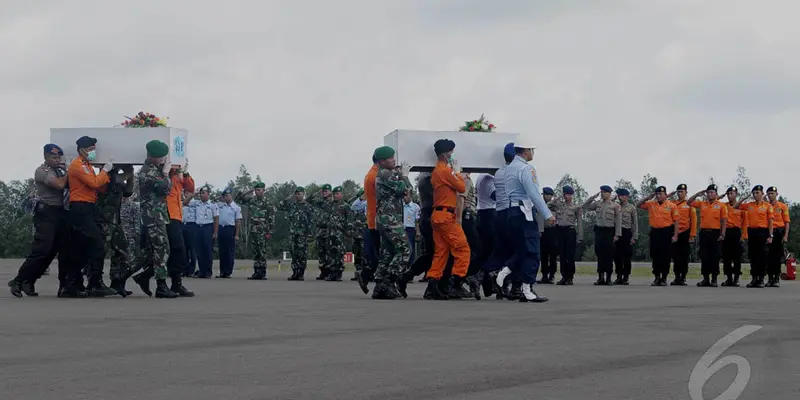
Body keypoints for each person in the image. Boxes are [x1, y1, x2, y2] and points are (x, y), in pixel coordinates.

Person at [8, 144, 75, 297]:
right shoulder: (42, 171)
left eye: (59, 157)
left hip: (61, 212)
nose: (57, 160)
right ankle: (19, 280)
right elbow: (59, 184)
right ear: (45, 157)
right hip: (47, 212)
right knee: (42, 249)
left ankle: (57, 284)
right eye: (53, 157)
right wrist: (69, 171)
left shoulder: (61, 170)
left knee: (59, 251)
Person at [495, 138, 552, 303]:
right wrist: (548, 214)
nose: (532, 153)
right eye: (531, 150)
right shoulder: (526, 168)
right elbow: (534, 193)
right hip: (524, 211)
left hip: (511, 211)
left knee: (521, 249)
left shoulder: (509, 168)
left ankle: (504, 272)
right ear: (525, 151)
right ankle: (527, 289)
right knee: (532, 251)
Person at [67, 136, 117, 297]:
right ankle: (94, 283)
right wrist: (105, 170)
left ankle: (77, 283)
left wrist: (108, 174)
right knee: (96, 243)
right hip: (80, 207)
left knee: (82, 247)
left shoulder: (87, 165)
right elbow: (94, 183)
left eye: (94, 149)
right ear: (82, 150)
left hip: (87, 207)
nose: (93, 152)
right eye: (90, 149)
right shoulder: (77, 165)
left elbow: (99, 186)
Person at [129, 140, 179, 298]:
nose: (164, 160)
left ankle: (143, 277)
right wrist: (166, 173)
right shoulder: (148, 172)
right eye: (161, 157)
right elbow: (166, 189)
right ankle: (161, 286)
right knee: (162, 250)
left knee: (157, 251)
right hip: (153, 217)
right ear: (153, 157)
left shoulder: (152, 169)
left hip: (157, 215)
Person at [424, 139, 472, 300]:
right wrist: (457, 172)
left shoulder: (437, 171)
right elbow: (462, 187)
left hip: (438, 215)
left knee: (441, 252)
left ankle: (433, 285)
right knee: (463, 249)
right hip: (446, 216)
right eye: (451, 152)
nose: (452, 154)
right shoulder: (445, 171)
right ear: (445, 154)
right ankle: (456, 283)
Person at [372, 146, 411, 299]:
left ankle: (379, 286)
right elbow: (405, 189)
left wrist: (398, 174)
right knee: (404, 250)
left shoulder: (384, 173)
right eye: (390, 158)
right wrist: (405, 176)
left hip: (385, 219)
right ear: (382, 161)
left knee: (388, 253)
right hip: (390, 219)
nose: (394, 160)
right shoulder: (386, 173)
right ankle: (387, 282)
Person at [481, 143, 516, 298]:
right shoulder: (513, 172)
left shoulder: (499, 173)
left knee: (502, 251)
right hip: (510, 213)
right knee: (514, 252)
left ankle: (486, 273)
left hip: (498, 214)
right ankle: (510, 285)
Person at [96, 165, 136, 297]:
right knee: (100, 251)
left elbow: (128, 191)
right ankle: (95, 282)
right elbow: (113, 181)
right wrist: (128, 173)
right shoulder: (103, 177)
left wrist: (131, 176)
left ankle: (118, 283)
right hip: (103, 220)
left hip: (115, 221)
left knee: (122, 250)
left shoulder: (118, 179)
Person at [637, 186, 680, 286]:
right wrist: (649, 196)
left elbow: (676, 221)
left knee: (665, 256)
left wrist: (675, 235)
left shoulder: (671, 205)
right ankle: (657, 277)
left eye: (661, 194)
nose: (658, 196)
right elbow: (638, 204)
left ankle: (664, 278)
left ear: (665, 194)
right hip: (655, 232)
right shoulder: (651, 204)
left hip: (666, 232)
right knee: (655, 254)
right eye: (657, 194)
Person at [163, 160, 195, 295]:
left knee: (178, 251)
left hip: (176, 216)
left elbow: (190, 188)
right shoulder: (163, 174)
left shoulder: (178, 175)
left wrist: (185, 172)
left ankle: (176, 283)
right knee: (175, 250)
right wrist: (167, 171)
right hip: (167, 216)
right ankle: (171, 283)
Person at [686, 185, 727, 287]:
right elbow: (688, 202)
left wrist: (723, 234)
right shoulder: (702, 204)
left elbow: (724, 221)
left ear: (716, 194)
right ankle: (705, 278)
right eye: (708, 192)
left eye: (712, 192)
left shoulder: (721, 206)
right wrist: (697, 194)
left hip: (716, 233)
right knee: (704, 256)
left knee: (715, 256)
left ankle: (714, 279)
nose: (710, 194)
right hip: (704, 233)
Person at [236, 182, 276, 280]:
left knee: (262, 251)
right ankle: (256, 272)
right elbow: (238, 200)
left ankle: (262, 272)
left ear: (263, 190)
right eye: (256, 190)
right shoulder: (251, 200)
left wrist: (269, 232)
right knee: (256, 251)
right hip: (253, 229)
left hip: (263, 230)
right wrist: (247, 191)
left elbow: (272, 218)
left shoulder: (268, 202)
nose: (257, 192)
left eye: (259, 190)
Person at [583, 186, 622, 285]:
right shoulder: (597, 204)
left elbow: (618, 221)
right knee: (599, 254)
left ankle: (608, 278)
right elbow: (585, 206)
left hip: (609, 232)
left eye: (605, 192)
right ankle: (600, 277)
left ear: (609, 193)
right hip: (599, 231)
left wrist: (617, 234)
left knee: (608, 255)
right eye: (602, 192)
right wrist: (592, 197)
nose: (602, 194)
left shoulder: (615, 206)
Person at [738, 185, 774, 288]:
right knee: (753, 256)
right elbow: (736, 206)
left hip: (763, 231)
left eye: (757, 193)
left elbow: (770, 221)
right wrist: (744, 198)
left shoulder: (767, 206)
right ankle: (754, 278)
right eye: (753, 193)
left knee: (762, 256)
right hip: (752, 231)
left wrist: (771, 235)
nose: (755, 195)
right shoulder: (749, 205)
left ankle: (761, 279)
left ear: (762, 194)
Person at [278, 187, 313, 280]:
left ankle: (301, 273)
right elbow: (280, 206)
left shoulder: (308, 207)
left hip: (303, 234)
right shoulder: (292, 205)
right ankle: (295, 272)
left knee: (302, 254)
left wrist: (310, 234)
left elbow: (311, 221)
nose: (298, 196)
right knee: (293, 253)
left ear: (303, 194)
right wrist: (288, 197)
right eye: (296, 194)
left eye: (299, 194)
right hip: (293, 233)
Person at [551, 185, 583, 286]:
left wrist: (580, 237)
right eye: (564, 194)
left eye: (568, 194)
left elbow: (580, 222)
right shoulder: (559, 205)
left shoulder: (575, 207)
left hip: (570, 231)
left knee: (570, 255)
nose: (566, 196)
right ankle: (563, 276)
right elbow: (547, 205)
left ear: (572, 195)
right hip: (560, 231)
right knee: (562, 255)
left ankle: (570, 277)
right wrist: (555, 199)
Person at [357, 159, 381, 293]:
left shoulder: (374, 174)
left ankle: (366, 274)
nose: (394, 161)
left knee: (377, 255)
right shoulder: (375, 176)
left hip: (376, 221)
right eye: (391, 158)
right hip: (378, 221)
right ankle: (378, 282)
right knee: (387, 254)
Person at [669, 184, 697, 286]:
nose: (680, 193)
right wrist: (668, 195)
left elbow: (694, 220)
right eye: (678, 192)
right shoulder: (672, 203)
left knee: (684, 256)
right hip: (675, 232)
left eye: (682, 191)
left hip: (685, 232)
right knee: (675, 256)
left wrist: (692, 235)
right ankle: (677, 277)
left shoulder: (689, 204)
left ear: (686, 193)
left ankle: (683, 276)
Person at [189, 187, 219, 278]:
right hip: (198, 227)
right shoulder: (196, 203)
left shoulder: (213, 205)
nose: (201, 195)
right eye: (200, 193)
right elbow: (185, 203)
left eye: (203, 193)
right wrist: (193, 195)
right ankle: (202, 271)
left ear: (208, 194)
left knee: (208, 250)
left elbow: (216, 219)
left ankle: (208, 272)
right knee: (199, 250)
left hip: (208, 227)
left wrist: (215, 232)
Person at [720, 187, 747, 286]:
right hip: (726, 232)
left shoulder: (741, 207)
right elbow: (713, 203)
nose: (729, 196)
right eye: (728, 194)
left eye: (732, 193)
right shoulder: (724, 206)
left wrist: (743, 236)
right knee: (726, 257)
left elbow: (745, 222)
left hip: (736, 232)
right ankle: (729, 278)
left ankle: (736, 278)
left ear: (736, 194)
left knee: (736, 258)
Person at [474, 173, 496, 293]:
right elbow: (495, 195)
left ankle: (486, 282)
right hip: (488, 213)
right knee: (490, 251)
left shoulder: (481, 177)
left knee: (485, 251)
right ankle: (479, 275)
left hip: (483, 213)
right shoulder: (489, 179)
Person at [308, 184, 334, 280]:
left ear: (331, 192)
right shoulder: (321, 202)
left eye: (326, 191)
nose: (324, 193)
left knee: (328, 250)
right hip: (319, 229)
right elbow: (309, 200)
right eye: (323, 191)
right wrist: (317, 193)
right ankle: (323, 271)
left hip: (328, 229)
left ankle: (329, 271)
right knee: (321, 251)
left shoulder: (333, 203)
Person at [325, 186, 351, 281]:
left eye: (337, 194)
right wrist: (328, 195)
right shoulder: (330, 205)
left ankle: (338, 273)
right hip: (330, 232)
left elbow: (349, 219)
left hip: (340, 233)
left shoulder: (345, 206)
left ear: (341, 194)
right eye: (334, 194)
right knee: (331, 252)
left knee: (339, 253)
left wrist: (349, 230)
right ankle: (332, 272)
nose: (336, 196)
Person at [766, 186, 789, 287]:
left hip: (779, 232)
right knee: (768, 256)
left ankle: (776, 278)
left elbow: (787, 222)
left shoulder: (782, 206)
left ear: (776, 194)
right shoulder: (765, 205)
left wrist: (785, 235)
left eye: (772, 193)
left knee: (777, 256)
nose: (771, 195)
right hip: (768, 232)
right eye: (769, 193)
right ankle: (770, 278)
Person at [216, 188, 242, 278]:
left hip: (230, 229)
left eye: (227, 196)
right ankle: (222, 271)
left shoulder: (236, 207)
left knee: (229, 251)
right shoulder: (221, 206)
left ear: (231, 196)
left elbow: (238, 221)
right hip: (221, 228)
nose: (226, 198)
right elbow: (214, 201)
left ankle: (228, 271)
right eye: (225, 196)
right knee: (222, 251)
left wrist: (237, 234)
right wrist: (220, 197)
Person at [614, 188, 637, 285]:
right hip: (616, 232)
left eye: (622, 196)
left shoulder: (631, 208)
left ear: (627, 197)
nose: (620, 197)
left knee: (627, 256)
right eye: (619, 196)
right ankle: (619, 276)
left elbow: (635, 223)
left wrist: (634, 236)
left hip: (627, 232)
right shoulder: (615, 206)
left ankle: (626, 276)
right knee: (617, 256)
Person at [537, 187, 559, 284]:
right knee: (544, 255)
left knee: (553, 255)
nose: (546, 196)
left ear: (551, 196)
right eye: (544, 195)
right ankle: (544, 275)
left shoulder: (556, 206)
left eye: (548, 195)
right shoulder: (541, 205)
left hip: (553, 231)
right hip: (543, 231)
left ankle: (552, 275)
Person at [349, 190, 367, 281]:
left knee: (365, 254)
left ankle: (365, 273)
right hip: (356, 235)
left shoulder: (366, 204)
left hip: (365, 235)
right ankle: (358, 272)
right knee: (356, 254)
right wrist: (359, 199)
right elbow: (353, 207)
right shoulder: (357, 205)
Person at [181, 190, 198, 277]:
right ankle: (185, 269)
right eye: (185, 193)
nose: (186, 194)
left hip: (192, 225)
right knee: (184, 249)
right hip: (183, 225)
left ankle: (191, 270)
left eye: (188, 192)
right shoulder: (181, 202)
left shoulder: (195, 202)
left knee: (192, 249)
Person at [403, 192, 420, 263]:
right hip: (401, 229)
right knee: (402, 248)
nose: (404, 197)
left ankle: (410, 265)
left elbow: (417, 221)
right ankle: (402, 266)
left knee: (411, 248)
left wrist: (418, 232)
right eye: (403, 196)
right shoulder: (401, 206)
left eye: (406, 195)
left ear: (411, 196)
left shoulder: (415, 207)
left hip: (410, 230)